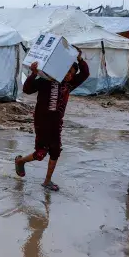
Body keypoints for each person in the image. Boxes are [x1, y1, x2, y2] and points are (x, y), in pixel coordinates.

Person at [14, 50, 89, 191]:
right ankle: (20, 161)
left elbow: (85, 74)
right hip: (42, 121)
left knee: (55, 151)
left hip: (56, 123)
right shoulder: (46, 80)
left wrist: (80, 59)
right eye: (68, 72)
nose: (69, 75)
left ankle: (47, 181)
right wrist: (34, 73)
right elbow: (27, 89)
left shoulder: (70, 84)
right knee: (40, 154)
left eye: (72, 73)